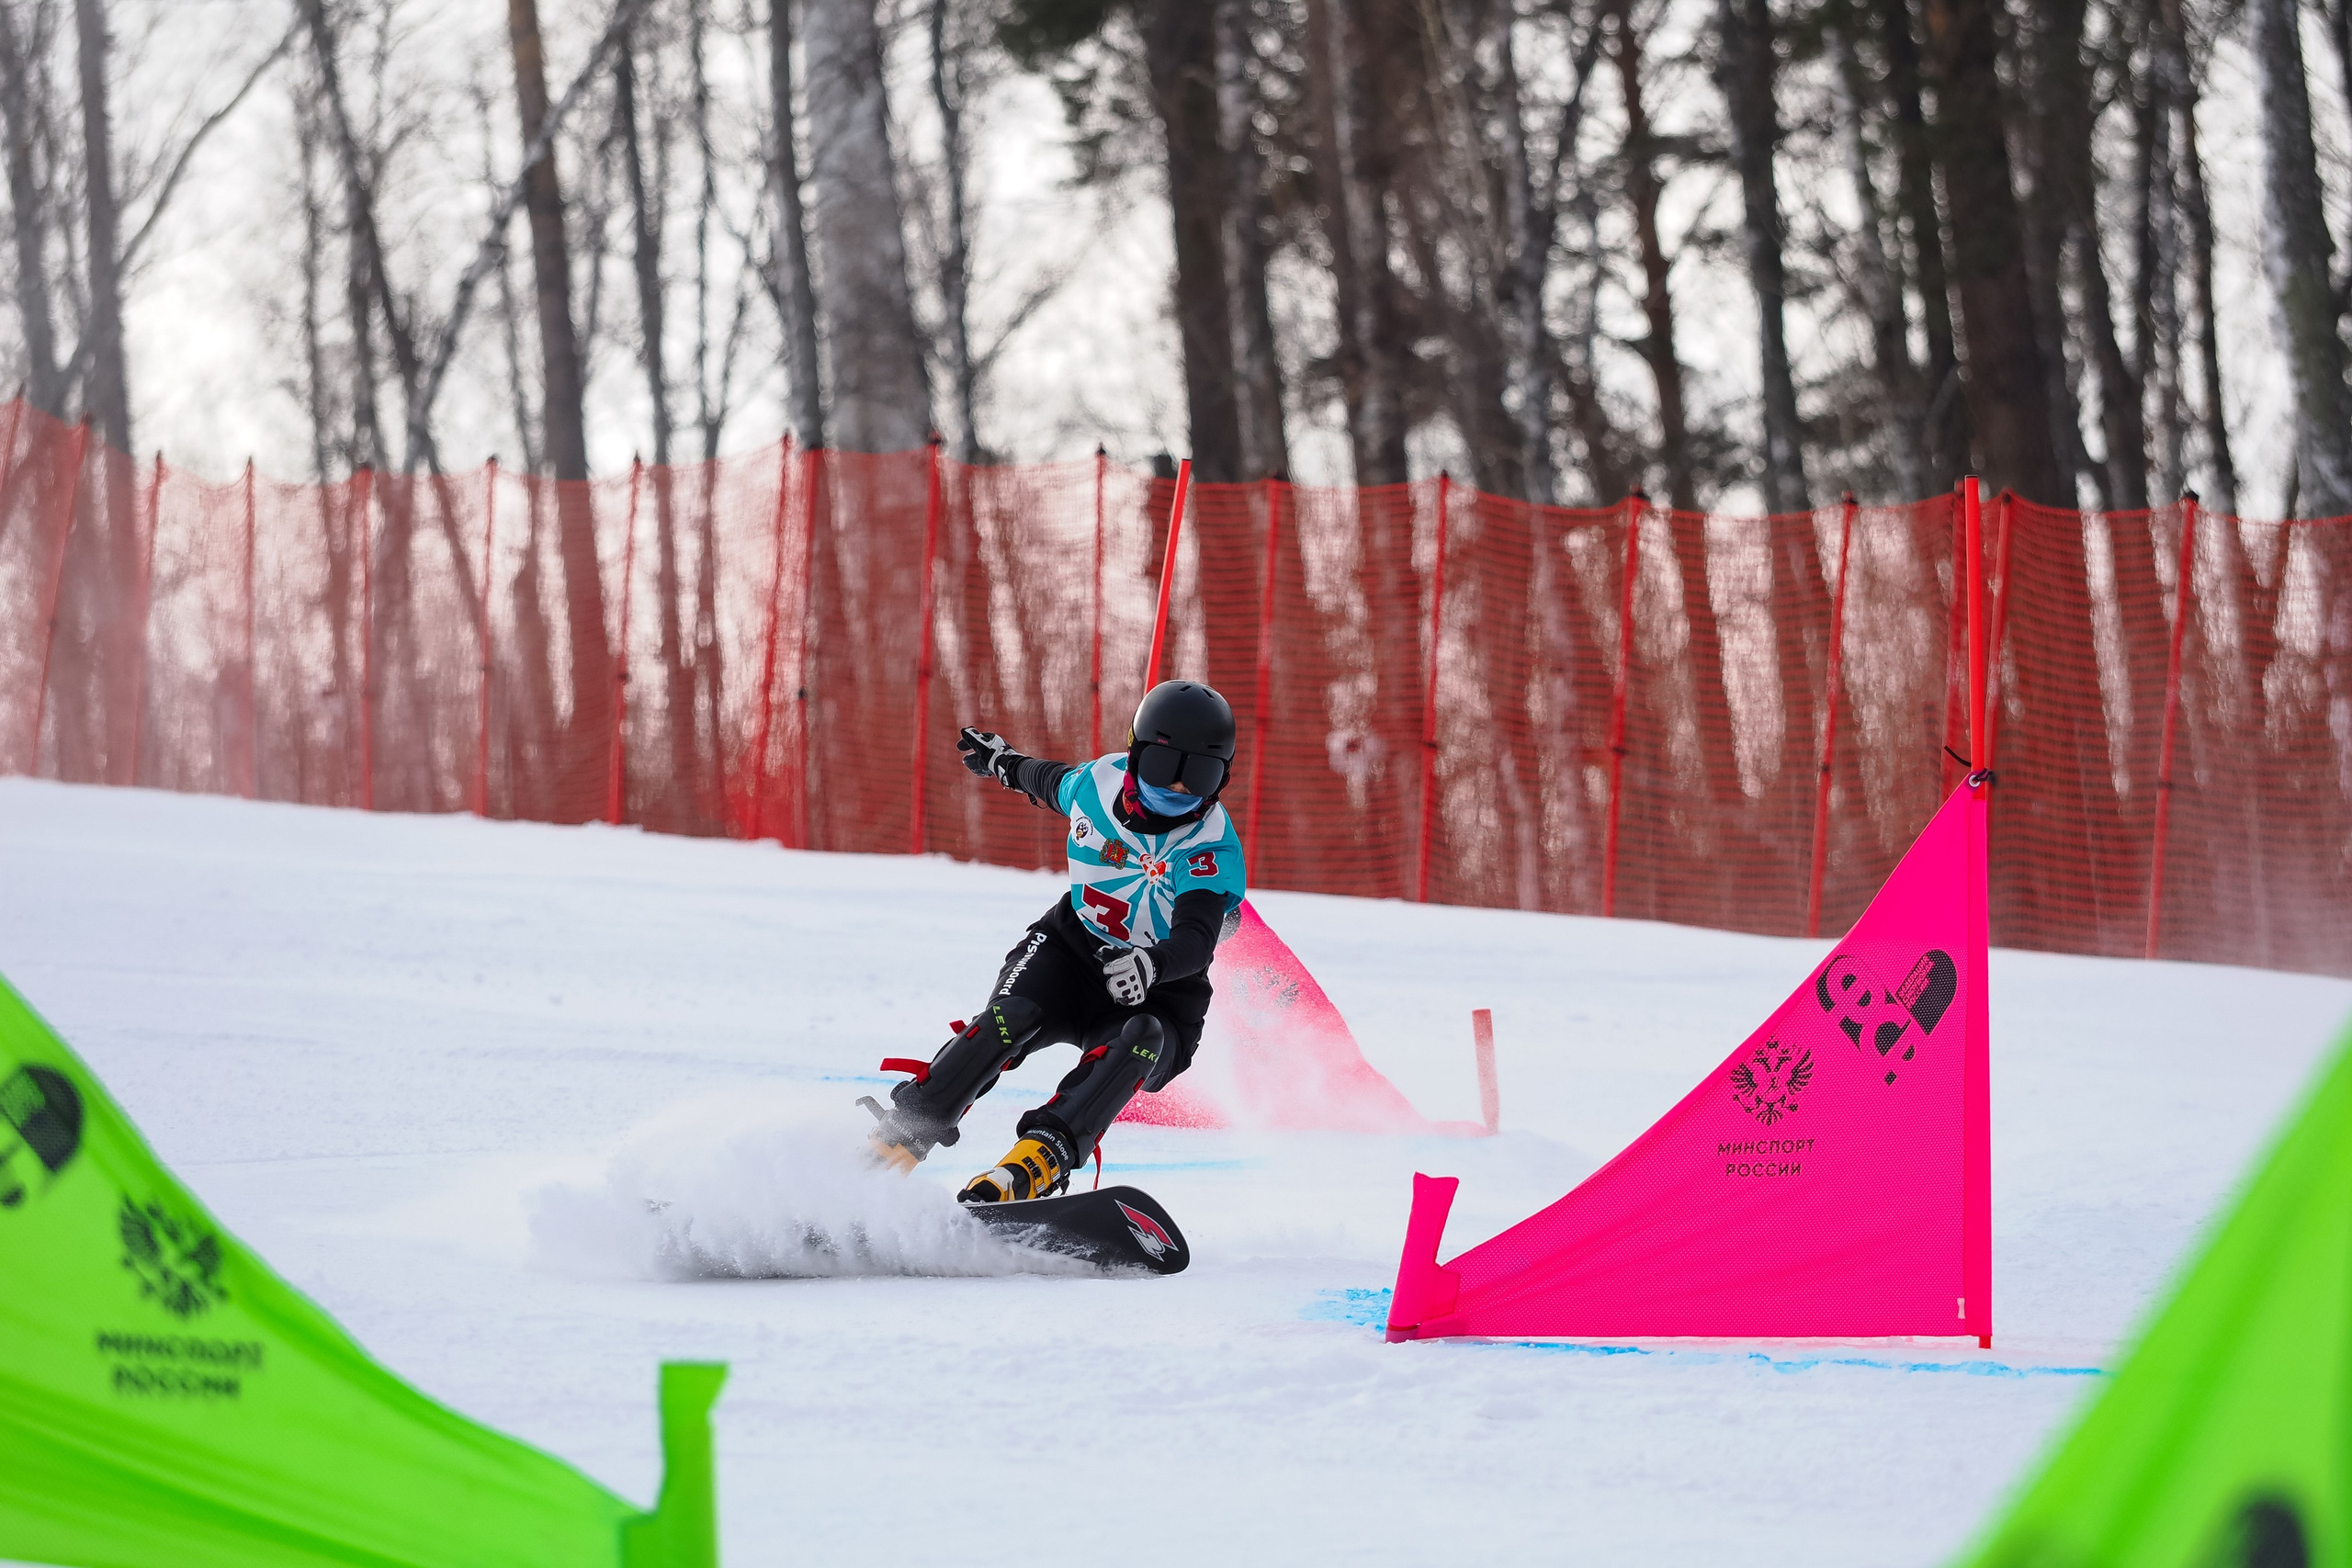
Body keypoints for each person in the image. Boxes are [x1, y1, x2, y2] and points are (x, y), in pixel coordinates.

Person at [864, 680, 1249, 1202]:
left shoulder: (1209, 848)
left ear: (1221, 778)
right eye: (1165, 768)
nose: (1180, 790)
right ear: (1136, 755)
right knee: (1009, 1017)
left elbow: (1197, 940)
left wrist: (1151, 966)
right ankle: (897, 1140)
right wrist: (1001, 761)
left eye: (1199, 775)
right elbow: (1045, 780)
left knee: (1141, 1034)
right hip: (1070, 950)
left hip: (1160, 989)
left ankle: (1036, 1163)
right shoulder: (1098, 783)